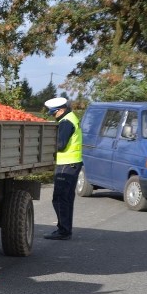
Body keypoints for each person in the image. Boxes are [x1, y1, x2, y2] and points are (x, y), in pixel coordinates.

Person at [44, 97, 83, 240]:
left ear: (61, 110)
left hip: (67, 165)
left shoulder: (66, 122)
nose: (54, 116)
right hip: (72, 164)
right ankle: (65, 229)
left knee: (60, 198)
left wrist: (46, 146)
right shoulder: (71, 118)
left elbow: (60, 145)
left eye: (54, 113)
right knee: (66, 198)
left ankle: (64, 231)